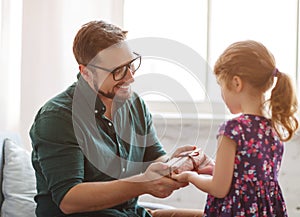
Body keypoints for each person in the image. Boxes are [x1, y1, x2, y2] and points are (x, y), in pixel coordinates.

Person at [29, 20, 209, 217]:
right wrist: (142, 183)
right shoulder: (57, 117)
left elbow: (153, 158)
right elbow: (69, 200)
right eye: (118, 71)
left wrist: (173, 164)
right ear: (86, 72)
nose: (130, 77)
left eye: (131, 64)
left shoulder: (133, 103)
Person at [172, 40, 299, 216]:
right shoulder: (273, 128)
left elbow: (219, 189)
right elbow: (249, 175)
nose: (222, 94)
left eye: (221, 85)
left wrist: (190, 177)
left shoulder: (233, 129)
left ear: (236, 83)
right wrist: (211, 169)